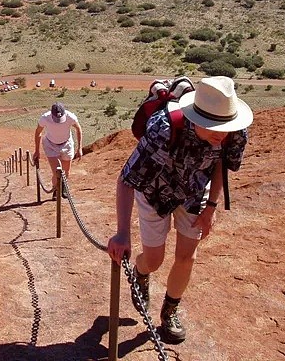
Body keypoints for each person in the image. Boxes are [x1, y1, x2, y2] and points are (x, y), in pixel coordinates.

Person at [106, 76, 253, 344]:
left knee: (188, 257)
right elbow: (127, 179)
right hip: (154, 192)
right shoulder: (162, 129)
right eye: (213, 126)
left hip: (195, 193)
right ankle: (141, 273)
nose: (221, 132)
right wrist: (122, 234)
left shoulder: (236, 130)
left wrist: (211, 206)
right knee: (154, 260)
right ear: (196, 119)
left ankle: (169, 312)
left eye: (226, 125)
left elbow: (221, 165)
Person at [33, 102, 83, 198]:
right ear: (51, 114)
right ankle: (56, 189)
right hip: (50, 144)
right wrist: (37, 150)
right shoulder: (45, 118)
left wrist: (79, 148)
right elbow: (38, 132)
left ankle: (63, 189)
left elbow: (78, 129)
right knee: (57, 172)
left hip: (66, 143)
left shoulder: (70, 117)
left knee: (66, 171)